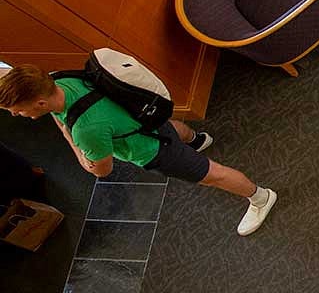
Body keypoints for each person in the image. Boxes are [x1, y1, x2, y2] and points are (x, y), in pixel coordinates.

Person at [0, 65, 278, 236]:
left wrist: (69, 136)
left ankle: (260, 197)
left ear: (38, 103)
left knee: (212, 174)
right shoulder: (58, 79)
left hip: (151, 149)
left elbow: (100, 169)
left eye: (17, 109)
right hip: (146, 120)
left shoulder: (85, 131)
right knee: (174, 129)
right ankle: (197, 139)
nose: (15, 115)